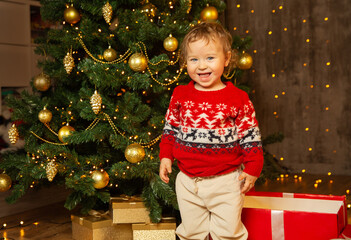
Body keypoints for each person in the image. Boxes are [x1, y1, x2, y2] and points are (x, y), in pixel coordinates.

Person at [159, 22, 264, 240]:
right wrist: (166, 156)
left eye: (210, 58)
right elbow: (171, 128)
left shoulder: (237, 99)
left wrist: (253, 167)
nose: (201, 66)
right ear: (185, 62)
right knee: (190, 231)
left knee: (228, 233)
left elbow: (250, 136)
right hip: (187, 180)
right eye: (193, 59)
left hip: (226, 182)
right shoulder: (180, 95)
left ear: (226, 59)